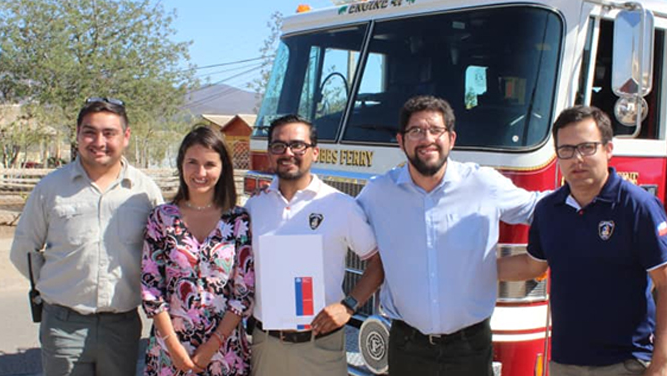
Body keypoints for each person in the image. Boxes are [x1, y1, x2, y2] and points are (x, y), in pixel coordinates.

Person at [356, 95, 543, 376]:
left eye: (435, 130)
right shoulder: (378, 193)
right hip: (407, 348)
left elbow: (540, 209)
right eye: (416, 131)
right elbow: (335, 221)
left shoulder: (483, 184)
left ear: (451, 138)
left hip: (470, 349)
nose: (426, 138)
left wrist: (596, 197)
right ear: (400, 141)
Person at [498, 105, 667, 376]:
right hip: (565, 364)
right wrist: (469, 269)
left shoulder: (638, 206)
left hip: (626, 363)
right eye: (566, 150)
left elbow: (665, 282)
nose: (577, 158)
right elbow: (533, 266)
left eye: (587, 147)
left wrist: (661, 365)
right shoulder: (549, 210)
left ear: (608, 149)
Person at [9, 97, 164, 375]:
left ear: (126, 136)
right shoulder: (51, 188)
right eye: (90, 132)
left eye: (109, 133)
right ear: (78, 135)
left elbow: (157, 256)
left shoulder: (145, 192)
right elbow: (24, 250)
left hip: (122, 327)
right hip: (63, 325)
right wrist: (58, 286)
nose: (99, 141)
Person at [245, 114, 383, 376]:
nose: (288, 153)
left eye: (298, 145)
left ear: (315, 152)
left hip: (320, 346)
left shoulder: (340, 205)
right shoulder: (254, 206)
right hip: (266, 345)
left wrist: (349, 306)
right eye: (279, 146)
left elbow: (378, 263)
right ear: (270, 153)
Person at [141, 126, 254, 376]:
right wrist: (173, 346)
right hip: (170, 353)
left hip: (226, 353)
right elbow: (150, 288)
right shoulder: (161, 218)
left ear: (222, 167)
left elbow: (243, 292)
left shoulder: (238, 220)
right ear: (181, 163)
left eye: (210, 164)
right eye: (192, 162)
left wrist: (211, 347)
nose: (200, 172)